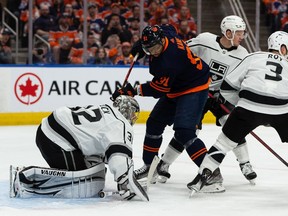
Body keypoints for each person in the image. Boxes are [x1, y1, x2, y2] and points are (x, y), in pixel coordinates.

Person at [111, 24, 224, 192]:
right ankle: (150, 166)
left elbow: (158, 90)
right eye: (149, 48)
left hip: (193, 87)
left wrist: (131, 90)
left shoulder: (168, 61)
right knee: (154, 123)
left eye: (155, 47)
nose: (154, 51)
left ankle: (212, 174)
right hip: (177, 86)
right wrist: (141, 47)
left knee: (184, 132)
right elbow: (169, 27)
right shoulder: (165, 34)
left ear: (162, 41)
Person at [160, 15, 257, 185]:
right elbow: (181, 53)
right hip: (197, 92)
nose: (242, 37)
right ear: (228, 33)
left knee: (233, 125)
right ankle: (164, 164)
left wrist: (229, 95)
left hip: (221, 95)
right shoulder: (204, 40)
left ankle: (245, 163)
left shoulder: (243, 55)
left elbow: (243, 80)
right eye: (239, 33)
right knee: (189, 131)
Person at [188, 30, 288, 195]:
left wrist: (241, 105)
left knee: (223, 144)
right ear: (283, 48)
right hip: (281, 109)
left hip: (248, 106)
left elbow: (227, 86)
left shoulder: (253, 57)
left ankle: (202, 176)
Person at [11, 95, 149, 201]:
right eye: (133, 113)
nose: (133, 117)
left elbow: (97, 147)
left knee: (96, 167)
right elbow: (119, 159)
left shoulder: (106, 110)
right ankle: (26, 182)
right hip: (58, 140)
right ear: (126, 110)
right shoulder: (121, 123)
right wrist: (126, 181)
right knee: (89, 182)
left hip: (49, 130)